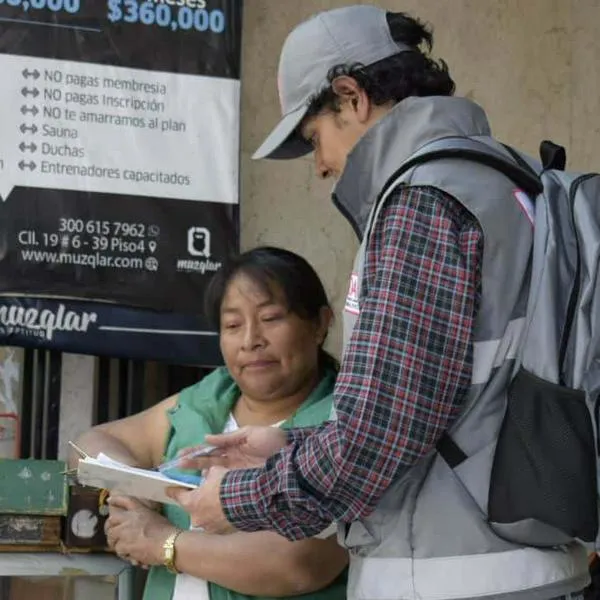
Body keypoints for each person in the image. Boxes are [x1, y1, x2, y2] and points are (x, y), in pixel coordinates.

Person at [167, 5, 590, 600]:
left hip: (452, 578)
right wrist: (289, 446)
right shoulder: (510, 180)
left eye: (315, 138)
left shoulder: (424, 201)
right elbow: (448, 407)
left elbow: (378, 437)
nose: (321, 166)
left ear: (351, 95)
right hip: (527, 560)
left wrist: (234, 499)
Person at [69, 246, 348, 600]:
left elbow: (298, 563)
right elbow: (89, 444)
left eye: (271, 318)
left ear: (320, 324)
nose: (251, 341)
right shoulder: (204, 402)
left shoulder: (342, 422)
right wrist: (134, 488)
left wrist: (162, 542)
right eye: (232, 325)